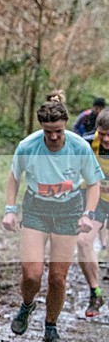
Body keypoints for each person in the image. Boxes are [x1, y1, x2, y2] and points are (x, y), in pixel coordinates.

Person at [2, 98, 103, 342]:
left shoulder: (79, 147)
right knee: (32, 274)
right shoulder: (28, 146)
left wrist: (88, 214)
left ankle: (51, 326)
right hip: (37, 209)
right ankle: (27, 305)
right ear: (41, 128)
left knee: (58, 277)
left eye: (59, 131)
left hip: (68, 211)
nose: (54, 137)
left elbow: (93, 183)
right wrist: (10, 210)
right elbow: (14, 177)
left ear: (65, 126)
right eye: (49, 132)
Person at [75, 109, 109, 317]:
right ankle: (95, 292)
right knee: (82, 241)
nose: (105, 139)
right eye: (102, 133)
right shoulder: (87, 144)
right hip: (98, 201)